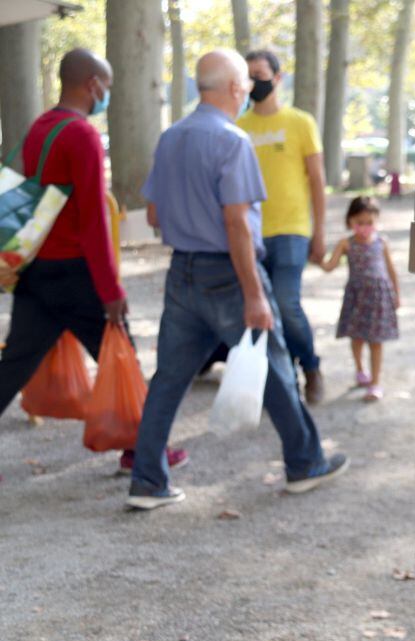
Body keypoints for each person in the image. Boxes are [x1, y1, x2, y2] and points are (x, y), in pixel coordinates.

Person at [129, 50, 348, 510]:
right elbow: (236, 224)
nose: (249, 88)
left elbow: (152, 212)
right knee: (273, 365)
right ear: (233, 88)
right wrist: (254, 293)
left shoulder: (171, 137)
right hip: (228, 273)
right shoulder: (232, 141)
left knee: (169, 378)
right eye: (245, 82)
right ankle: (305, 463)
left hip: (182, 270)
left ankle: (148, 479)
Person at [0, 48, 188, 473]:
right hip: (76, 275)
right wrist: (112, 291)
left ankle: (138, 445)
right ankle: (141, 450)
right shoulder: (81, 135)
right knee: (122, 358)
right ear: (92, 85)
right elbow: (93, 223)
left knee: (12, 367)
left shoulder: (39, 129)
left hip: (35, 271)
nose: (107, 95)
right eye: (107, 87)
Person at [236, 49, 327, 405]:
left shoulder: (300, 122)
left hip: (292, 230)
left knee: (287, 304)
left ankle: (311, 367)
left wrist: (319, 233)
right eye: (248, 75)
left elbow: (317, 181)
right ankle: (281, 378)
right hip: (251, 233)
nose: (254, 82)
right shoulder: (239, 127)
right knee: (264, 308)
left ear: (277, 77)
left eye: (259, 74)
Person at [321, 196, 399, 402]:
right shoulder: (345, 244)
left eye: (369, 223)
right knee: (356, 337)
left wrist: (396, 295)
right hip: (356, 298)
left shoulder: (382, 243)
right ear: (350, 222)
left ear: (376, 221)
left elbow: (391, 271)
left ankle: (375, 382)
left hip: (379, 297)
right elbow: (330, 266)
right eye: (359, 223)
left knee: (376, 341)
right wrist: (316, 258)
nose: (365, 227)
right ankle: (360, 370)